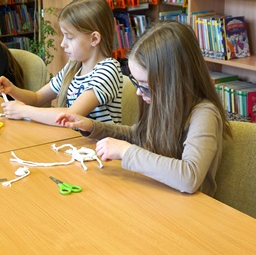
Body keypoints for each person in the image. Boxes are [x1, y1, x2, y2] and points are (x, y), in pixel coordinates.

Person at [54, 21, 229, 195]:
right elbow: (136, 134)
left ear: (173, 83)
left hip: (193, 212)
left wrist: (126, 151)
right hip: (157, 196)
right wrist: (94, 126)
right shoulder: (160, 101)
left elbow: (189, 176)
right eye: (136, 83)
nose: (138, 92)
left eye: (145, 85)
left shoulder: (205, 114)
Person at [0, 0, 123, 126]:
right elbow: (37, 98)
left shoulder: (108, 70)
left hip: (101, 147)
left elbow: (71, 115)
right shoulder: (74, 67)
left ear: (94, 39)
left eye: (69, 37)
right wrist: (12, 89)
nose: (63, 43)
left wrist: (23, 111)